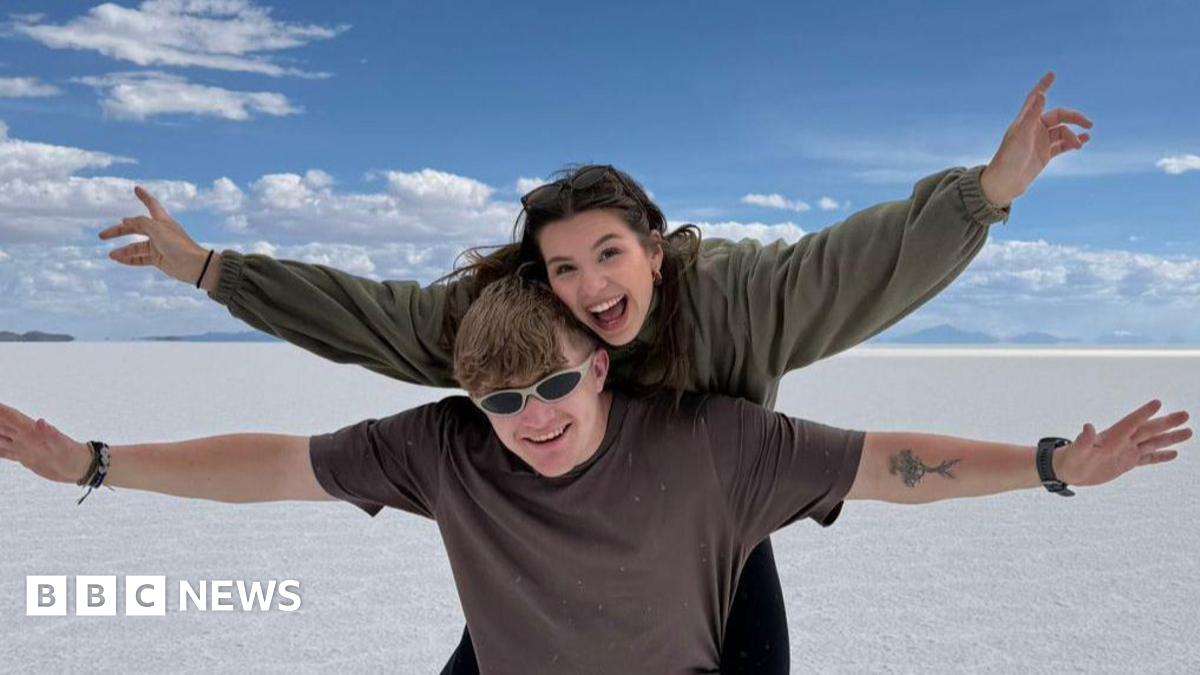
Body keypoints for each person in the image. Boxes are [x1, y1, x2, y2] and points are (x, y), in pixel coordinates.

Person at [99, 72, 1094, 673]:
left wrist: (990, 191)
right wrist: (209, 269)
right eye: (565, 267)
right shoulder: (517, 330)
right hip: (550, 546)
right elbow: (365, 316)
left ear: (653, 249)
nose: (590, 287)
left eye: (609, 255)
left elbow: (859, 267)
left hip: (705, 531)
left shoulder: (739, 301)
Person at [0, 276, 1187, 674]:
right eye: (501, 401)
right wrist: (92, 463)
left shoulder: (717, 443)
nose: (530, 421)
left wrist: (1051, 465)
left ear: (602, 368)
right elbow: (269, 469)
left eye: (554, 388)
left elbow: (895, 467)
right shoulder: (443, 449)